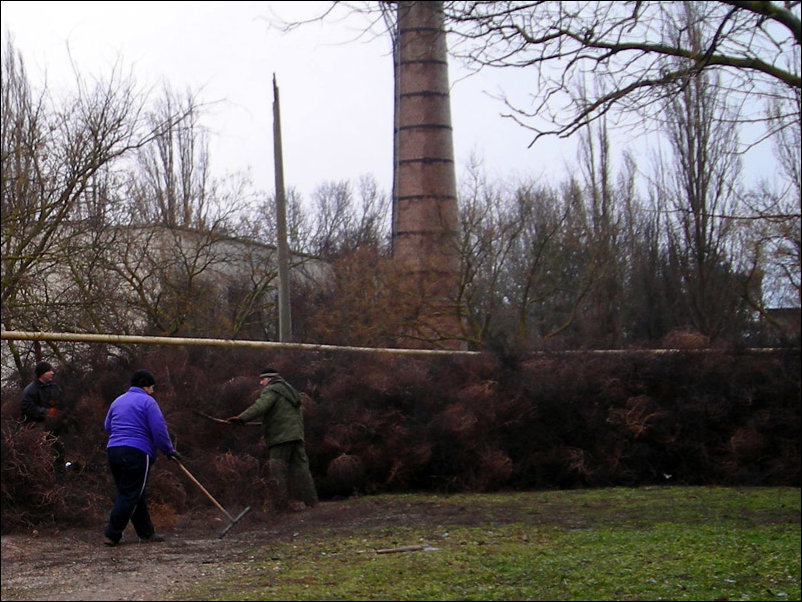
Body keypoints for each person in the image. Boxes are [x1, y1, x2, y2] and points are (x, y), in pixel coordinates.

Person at [103, 369, 180, 546]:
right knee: (130, 493)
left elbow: (108, 426)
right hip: (137, 451)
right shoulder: (148, 402)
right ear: (146, 386)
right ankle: (112, 534)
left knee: (134, 492)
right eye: (152, 388)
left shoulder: (118, 400)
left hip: (113, 450)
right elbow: (159, 430)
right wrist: (169, 450)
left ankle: (146, 532)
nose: (153, 391)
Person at [227, 368, 318, 512]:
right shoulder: (289, 391)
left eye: (262, 379)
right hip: (296, 435)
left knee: (277, 470)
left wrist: (242, 418)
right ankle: (312, 503)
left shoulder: (272, 389)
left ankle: (280, 506)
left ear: (269, 379)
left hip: (281, 438)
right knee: (302, 470)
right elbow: (281, 413)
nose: (260, 383)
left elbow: (261, 406)